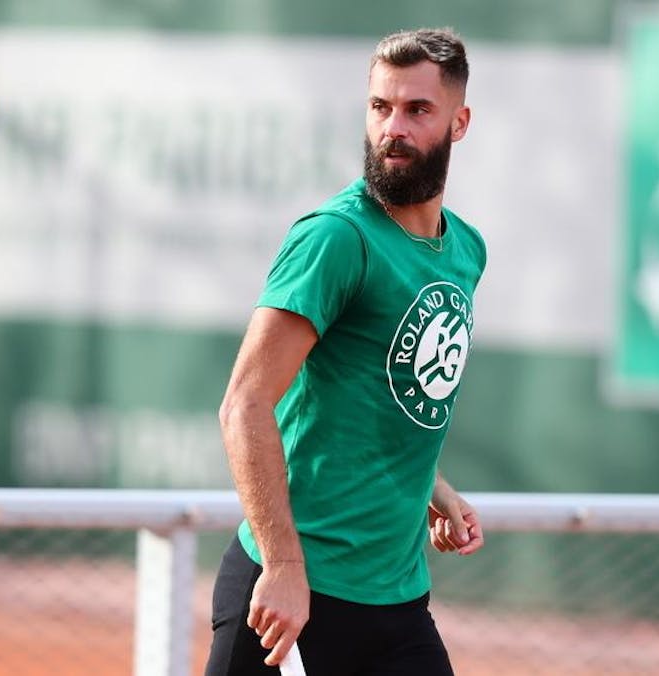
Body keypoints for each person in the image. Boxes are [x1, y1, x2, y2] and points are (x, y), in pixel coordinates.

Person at [207, 28, 487, 675]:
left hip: (397, 600)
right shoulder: (336, 237)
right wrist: (281, 566)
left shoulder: (466, 251)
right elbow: (244, 404)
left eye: (418, 110)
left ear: (459, 122)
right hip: (293, 599)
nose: (393, 127)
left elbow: (378, 398)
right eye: (380, 107)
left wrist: (434, 490)